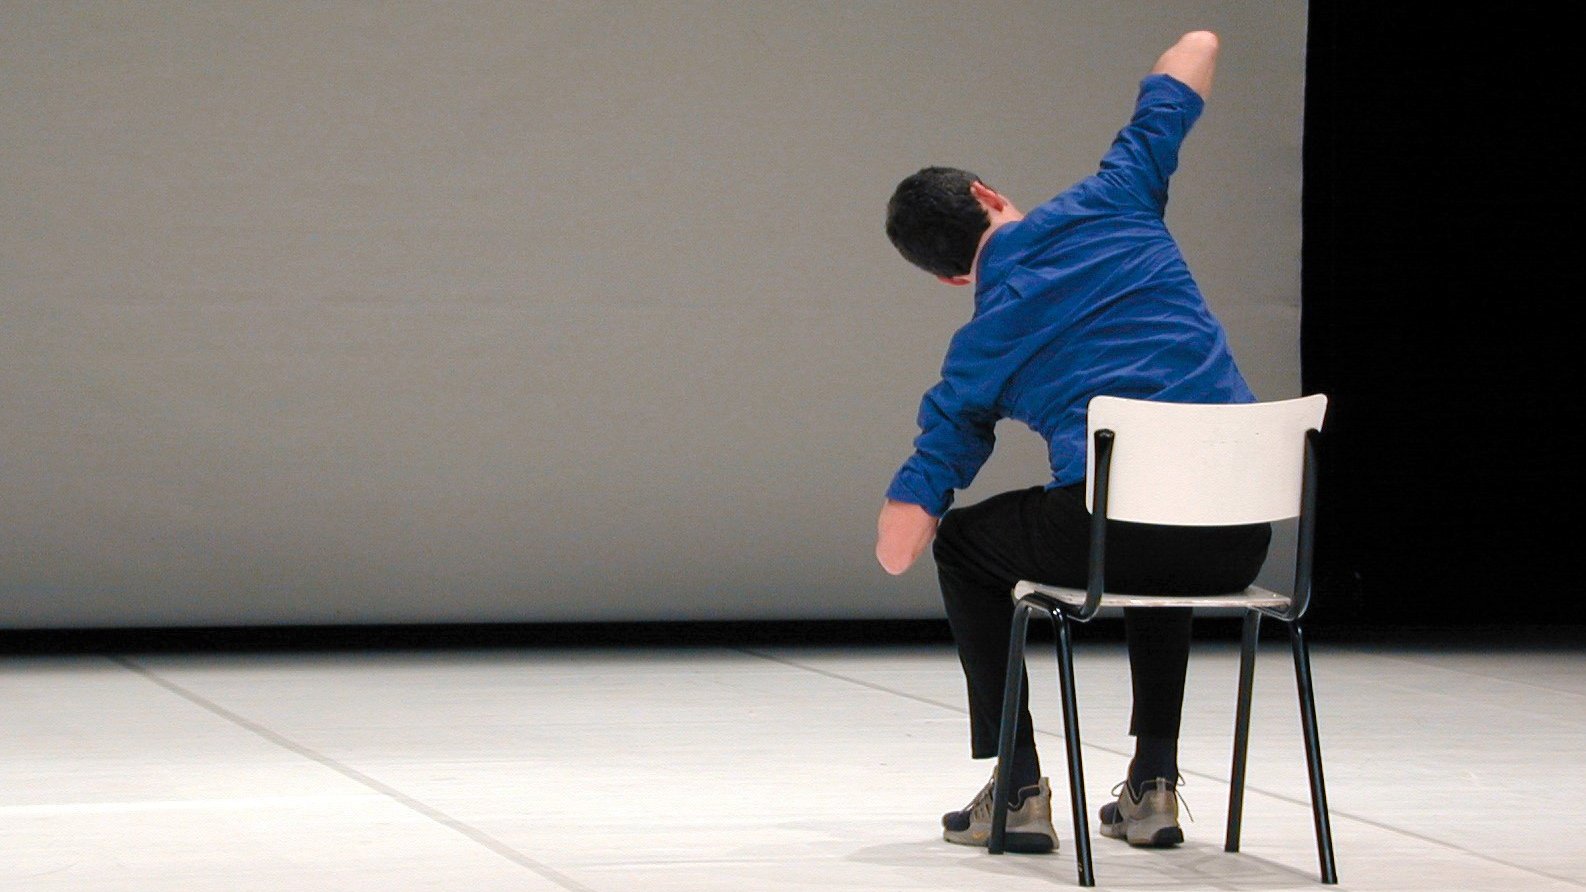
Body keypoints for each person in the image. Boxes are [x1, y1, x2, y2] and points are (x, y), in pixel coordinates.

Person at [875, 30, 1272, 853]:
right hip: (1243, 538)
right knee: (1159, 503)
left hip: (1111, 542)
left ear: (954, 277)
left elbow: (897, 547)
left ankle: (1017, 789)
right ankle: (1152, 783)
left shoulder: (980, 342)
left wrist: (916, 512)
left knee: (968, 547)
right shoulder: (1117, 195)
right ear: (989, 193)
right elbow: (1197, 46)